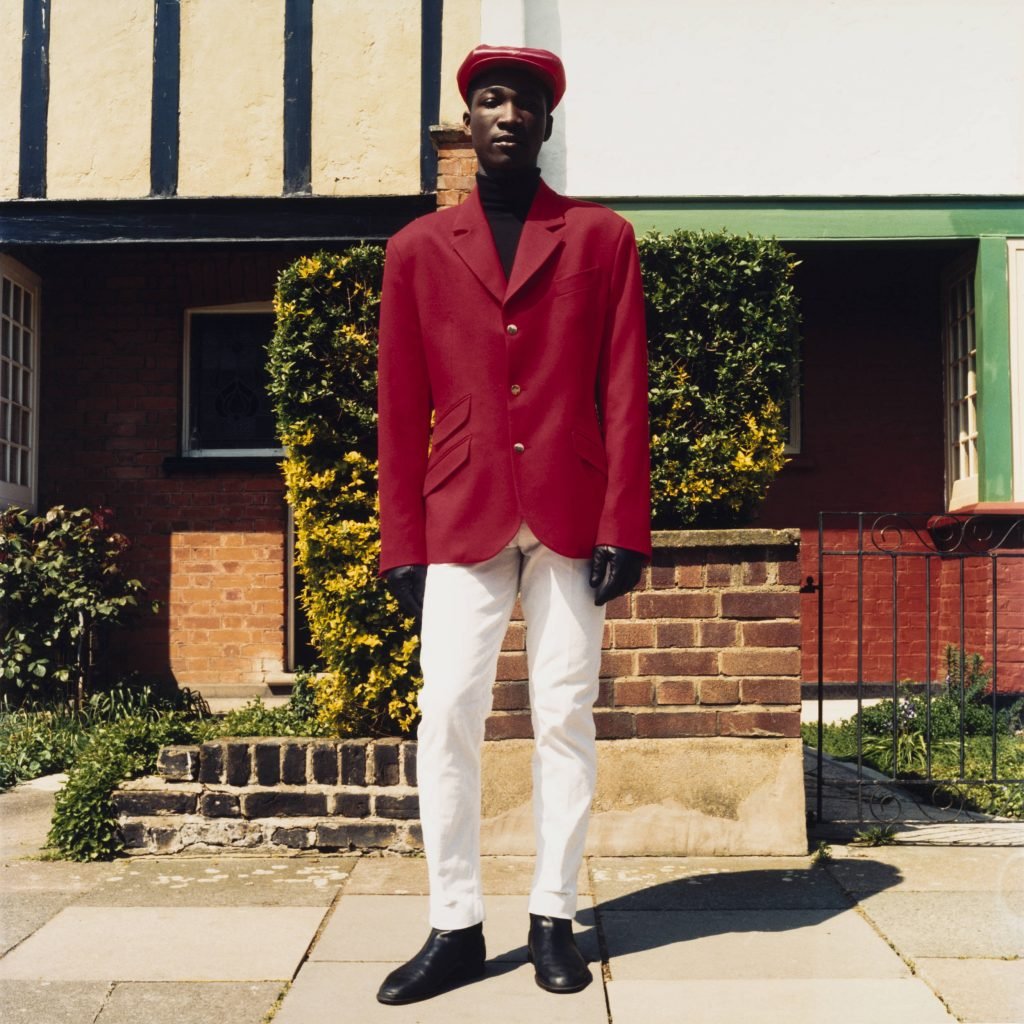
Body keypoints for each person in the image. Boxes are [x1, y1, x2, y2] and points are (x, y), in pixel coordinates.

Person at [375, 44, 651, 1005]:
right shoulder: (415, 249)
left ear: (544, 122)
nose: (505, 114)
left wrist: (628, 521)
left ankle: (552, 914)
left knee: (564, 716)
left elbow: (624, 387)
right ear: (469, 118)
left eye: (523, 102)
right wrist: (400, 539)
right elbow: (399, 404)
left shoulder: (601, 238)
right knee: (446, 710)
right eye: (489, 99)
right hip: (461, 509)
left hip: (573, 511)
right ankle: (454, 924)